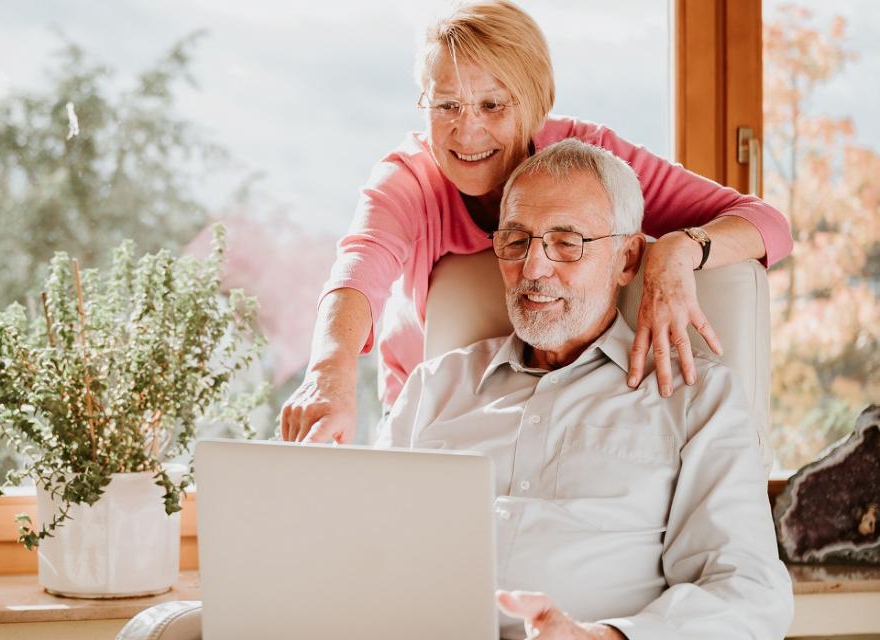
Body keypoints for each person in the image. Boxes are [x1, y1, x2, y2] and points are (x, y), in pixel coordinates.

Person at [280, 0, 792, 444]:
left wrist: (678, 250)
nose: (467, 131)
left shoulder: (587, 165)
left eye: (492, 104)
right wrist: (330, 371)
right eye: (446, 105)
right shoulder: (409, 179)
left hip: (569, 398)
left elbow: (766, 223)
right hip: (439, 418)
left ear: (537, 105)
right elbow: (358, 269)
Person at [375, 139, 794, 639]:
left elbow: (749, 593)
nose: (533, 269)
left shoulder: (695, 399)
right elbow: (361, 545)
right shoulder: (434, 388)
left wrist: (603, 638)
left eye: (567, 242)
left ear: (627, 259)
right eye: (515, 240)